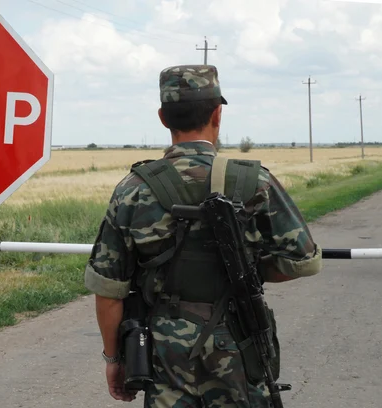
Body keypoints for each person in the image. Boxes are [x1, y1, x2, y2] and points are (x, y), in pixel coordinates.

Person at [84, 65, 323, 407]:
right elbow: (304, 261)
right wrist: (248, 270)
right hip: (239, 342)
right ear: (217, 114)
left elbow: (108, 292)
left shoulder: (133, 190)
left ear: (163, 118)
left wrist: (113, 360)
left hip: (164, 352)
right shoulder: (255, 181)